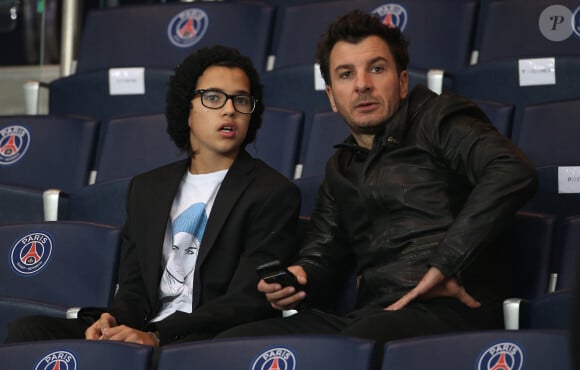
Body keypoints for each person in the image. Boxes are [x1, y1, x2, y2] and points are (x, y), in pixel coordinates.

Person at [217, 10, 537, 351]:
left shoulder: (439, 119)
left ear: (401, 82)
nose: (362, 85)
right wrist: (299, 279)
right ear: (331, 96)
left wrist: (446, 263)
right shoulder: (340, 166)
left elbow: (511, 169)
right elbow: (322, 255)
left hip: (451, 308)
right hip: (373, 315)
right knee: (233, 344)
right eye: (345, 74)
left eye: (376, 68)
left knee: (349, 347)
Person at [6, 45, 300, 347]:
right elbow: (134, 289)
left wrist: (157, 336)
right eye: (213, 98)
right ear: (186, 109)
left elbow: (246, 301)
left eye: (241, 100)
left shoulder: (272, 192)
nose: (229, 110)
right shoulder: (147, 189)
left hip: (206, 337)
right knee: (28, 331)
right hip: (145, 328)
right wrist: (113, 319)